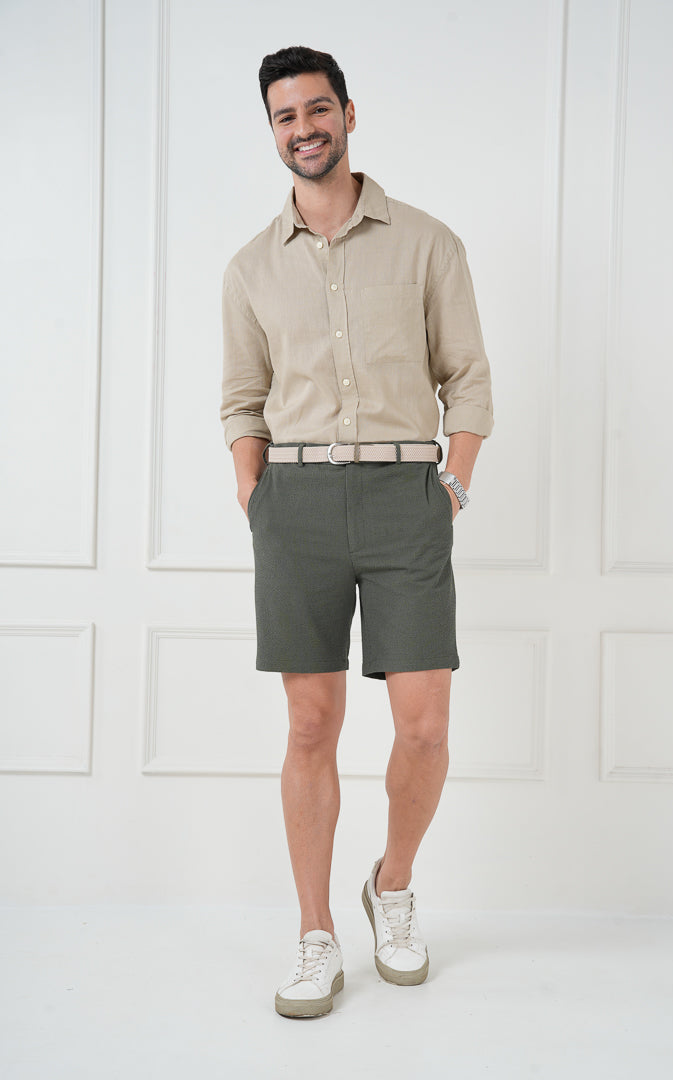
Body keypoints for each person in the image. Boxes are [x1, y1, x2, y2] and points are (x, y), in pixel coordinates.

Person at [220, 45, 494, 1018]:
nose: (304, 128)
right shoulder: (250, 268)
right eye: (285, 116)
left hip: (404, 500)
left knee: (424, 725)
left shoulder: (428, 243)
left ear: (347, 112)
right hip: (293, 505)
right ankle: (315, 934)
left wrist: (449, 488)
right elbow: (241, 400)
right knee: (310, 724)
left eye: (317, 108)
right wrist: (256, 496)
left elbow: (468, 379)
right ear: (273, 130)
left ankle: (392, 885)